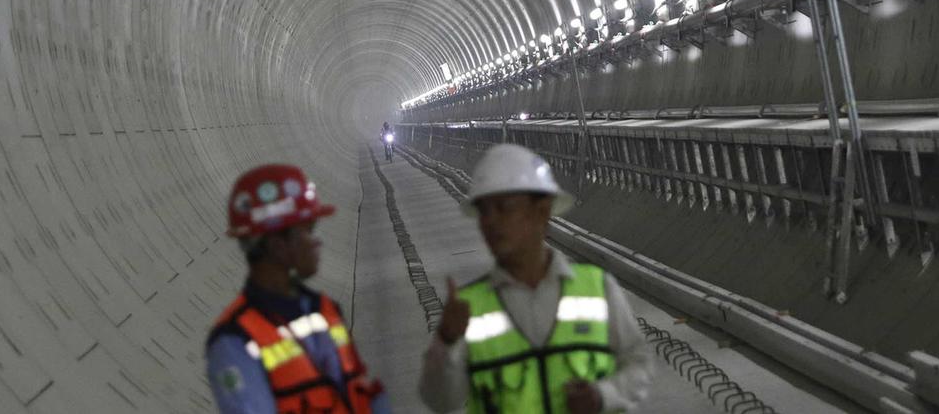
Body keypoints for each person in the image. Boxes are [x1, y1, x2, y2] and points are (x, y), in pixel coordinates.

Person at [419, 144, 655, 413]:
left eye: (504, 208)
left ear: (541, 211)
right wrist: (446, 340)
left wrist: (603, 396)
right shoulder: (468, 307)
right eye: (484, 211)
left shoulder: (597, 288)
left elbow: (638, 362)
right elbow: (439, 399)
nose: (491, 222)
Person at [206, 164, 391, 413]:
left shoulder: (325, 311)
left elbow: (356, 393)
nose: (316, 242)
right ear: (276, 246)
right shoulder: (234, 341)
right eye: (307, 231)